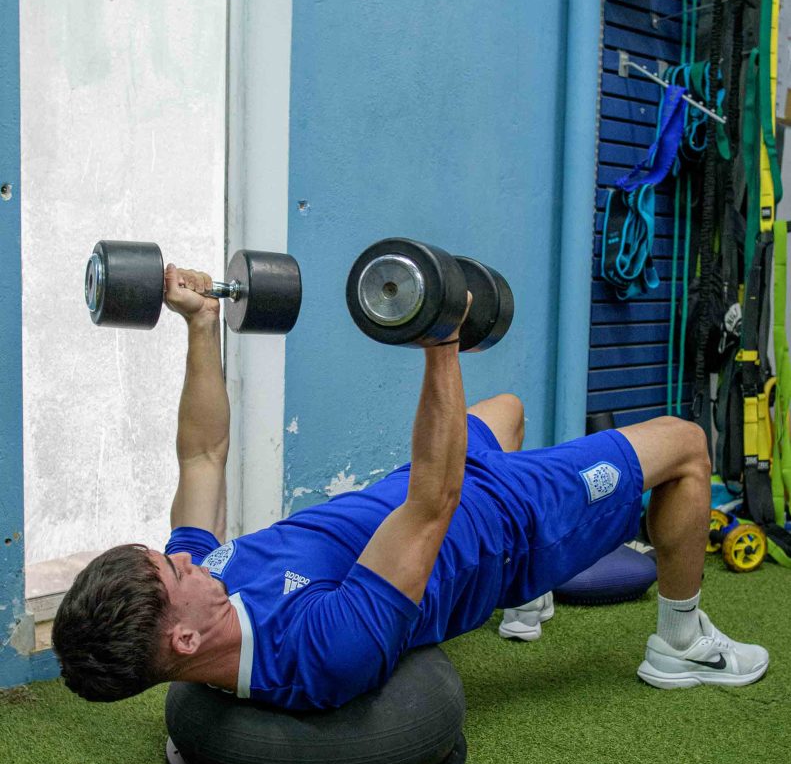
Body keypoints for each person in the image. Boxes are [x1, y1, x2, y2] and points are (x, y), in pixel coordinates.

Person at [52, 264, 769, 707]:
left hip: (422, 488)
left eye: (168, 555)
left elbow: (203, 455)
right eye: (174, 569)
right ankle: (679, 644)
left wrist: (202, 323)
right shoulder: (318, 651)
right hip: (500, 524)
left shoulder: (203, 583)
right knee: (685, 443)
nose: (186, 556)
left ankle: (532, 605)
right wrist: (440, 342)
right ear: (183, 638)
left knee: (507, 410)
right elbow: (434, 502)